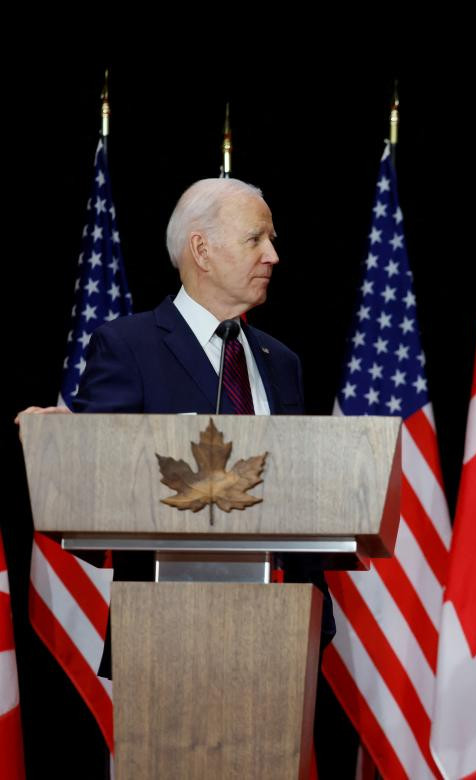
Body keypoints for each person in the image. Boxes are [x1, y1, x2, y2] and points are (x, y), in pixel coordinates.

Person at [19, 177, 332, 676]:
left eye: (271, 241)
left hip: (286, 628)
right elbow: (99, 481)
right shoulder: (129, 347)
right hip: (166, 633)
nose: (272, 255)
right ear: (202, 250)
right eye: (256, 239)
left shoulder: (281, 361)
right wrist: (67, 448)